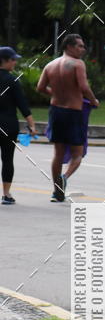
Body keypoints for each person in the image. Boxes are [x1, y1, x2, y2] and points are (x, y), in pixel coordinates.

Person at [36, 34, 99, 202]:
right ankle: (64, 178)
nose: (83, 50)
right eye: (80, 46)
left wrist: (54, 93)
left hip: (56, 111)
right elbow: (84, 87)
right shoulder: (78, 64)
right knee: (77, 153)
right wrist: (94, 101)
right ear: (69, 47)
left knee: (58, 153)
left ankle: (56, 191)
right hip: (73, 112)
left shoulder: (51, 65)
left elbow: (41, 87)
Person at [0, 47, 36, 205]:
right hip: (8, 126)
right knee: (7, 159)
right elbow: (23, 106)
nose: (15, 62)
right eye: (13, 59)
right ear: (6, 60)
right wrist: (32, 126)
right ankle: (6, 194)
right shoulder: (12, 80)